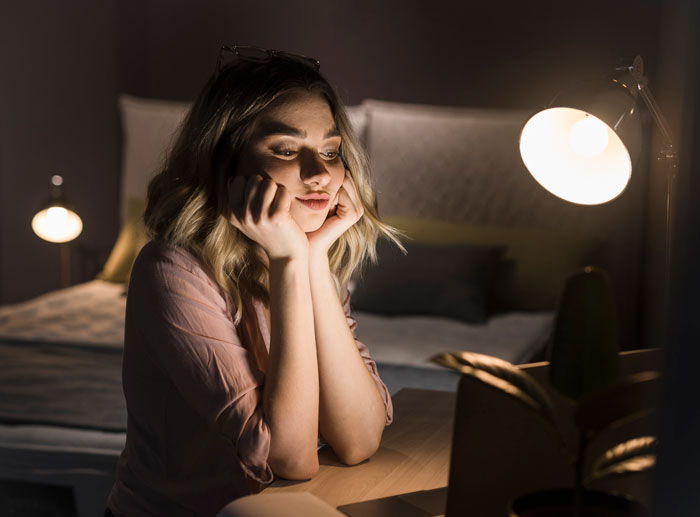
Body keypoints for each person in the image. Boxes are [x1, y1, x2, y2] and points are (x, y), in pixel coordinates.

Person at [106, 46, 401, 516]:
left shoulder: (305, 251)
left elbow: (359, 440)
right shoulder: (171, 270)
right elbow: (292, 458)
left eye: (330, 151)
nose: (321, 175)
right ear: (226, 160)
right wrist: (289, 261)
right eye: (286, 149)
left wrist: (313, 258)